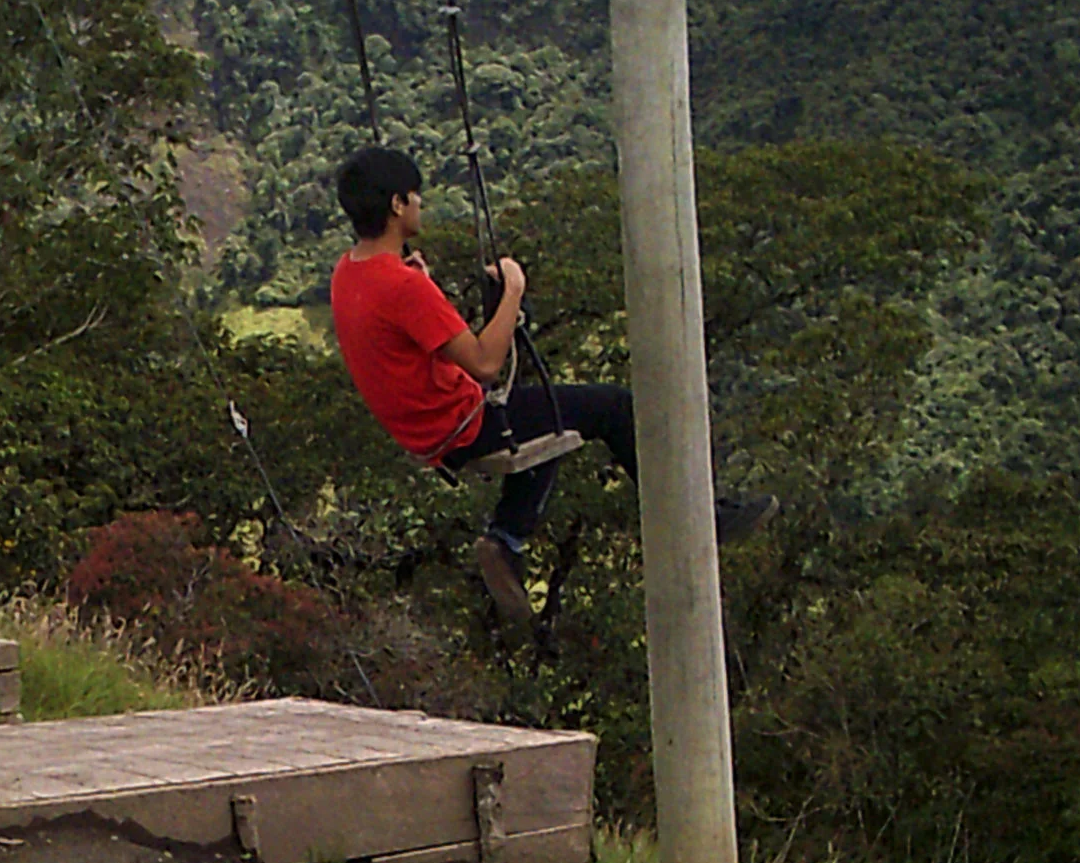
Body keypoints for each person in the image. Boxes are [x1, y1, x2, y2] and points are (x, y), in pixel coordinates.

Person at [329, 146, 773, 632]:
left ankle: (507, 538)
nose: (420, 205)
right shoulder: (402, 286)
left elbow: (407, 336)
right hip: (467, 423)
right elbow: (485, 363)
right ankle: (702, 517)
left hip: (427, 429)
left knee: (551, 423)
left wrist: (428, 287)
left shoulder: (348, 272)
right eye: (416, 196)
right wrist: (513, 290)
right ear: (397, 205)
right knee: (612, 408)